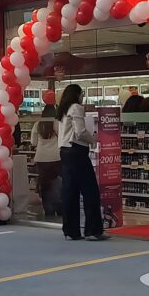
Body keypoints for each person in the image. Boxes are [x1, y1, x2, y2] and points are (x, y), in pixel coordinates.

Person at [57, 84, 108, 241]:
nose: (83, 97)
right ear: (77, 95)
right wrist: (93, 140)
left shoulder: (63, 109)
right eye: (82, 94)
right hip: (77, 151)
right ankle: (93, 229)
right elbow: (80, 131)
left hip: (65, 151)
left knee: (69, 192)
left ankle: (70, 231)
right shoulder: (76, 108)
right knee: (90, 190)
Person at [31, 105, 61, 216]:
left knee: (45, 186)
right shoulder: (57, 123)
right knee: (57, 184)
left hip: (41, 158)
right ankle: (59, 208)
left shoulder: (37, 124)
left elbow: (33, 142)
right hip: (56, 157)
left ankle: (48, 210)